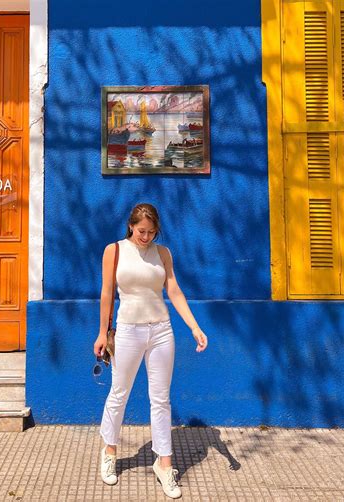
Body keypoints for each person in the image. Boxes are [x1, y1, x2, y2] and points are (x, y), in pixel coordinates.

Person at [93, 203, 208, 499]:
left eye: (152, 232)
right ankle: (109, 452)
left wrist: (194, 327)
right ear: (131, 226)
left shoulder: (163, 253)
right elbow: (107, 293)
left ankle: (164, 463)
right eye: (141, 231)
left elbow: (174, 291)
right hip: (128, 331)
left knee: (161, 400)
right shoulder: (114, 251)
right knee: (119, 393)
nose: (146, 237)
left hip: (161, 331)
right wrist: (102, 333)